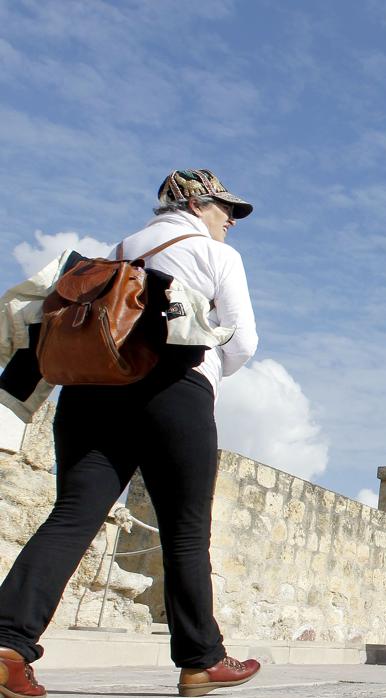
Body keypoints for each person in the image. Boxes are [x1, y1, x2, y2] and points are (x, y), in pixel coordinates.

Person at [0, 169, 262, 697]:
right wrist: (206, 361)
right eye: (223, 208)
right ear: (193, 205)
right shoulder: (217, 257)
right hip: (175, 389)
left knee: (73, 514)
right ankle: (200, 660)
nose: (231, 220)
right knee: (186, 530)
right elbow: (242, 345)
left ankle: (7, 643)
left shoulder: (109, 259)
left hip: (91, 389)